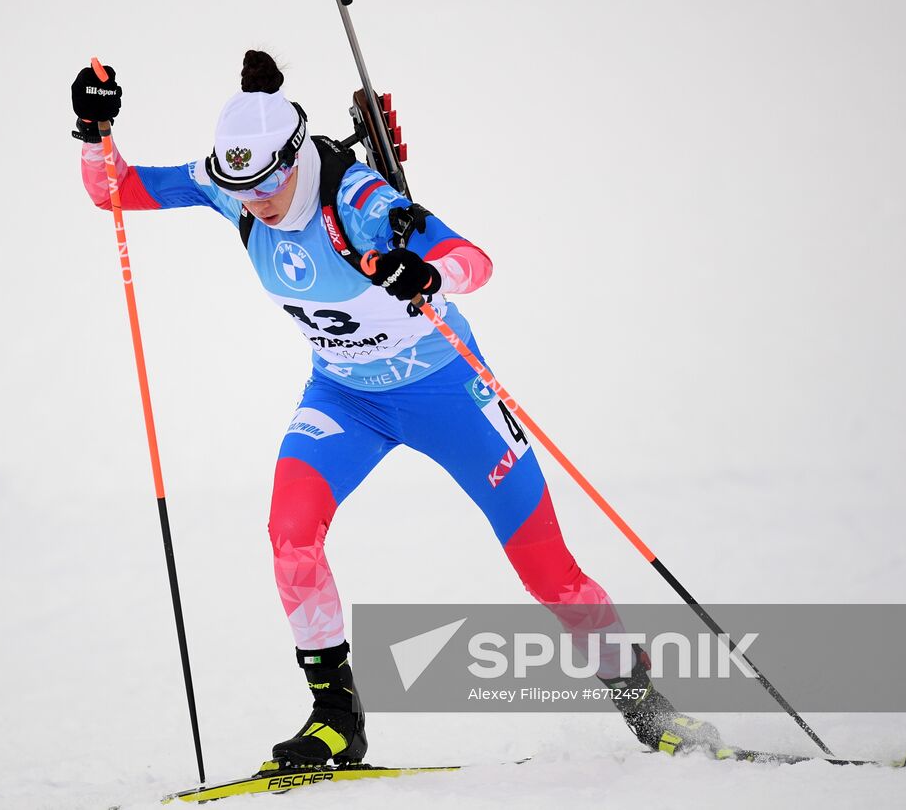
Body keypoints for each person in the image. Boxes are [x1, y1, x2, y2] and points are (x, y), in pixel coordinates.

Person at [71, 50, 720, 768]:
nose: (252, 200)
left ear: (293, 159)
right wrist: (93, 129)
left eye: (264, 183)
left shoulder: (358, 200)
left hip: (448, 392)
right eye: (239, 186)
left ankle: (643, 703)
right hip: (345, 397)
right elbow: (116, 191)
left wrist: (430, 268)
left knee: (548, 569)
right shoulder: (231, 185)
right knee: (290, 534)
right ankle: (335, 717)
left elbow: (474, 260)